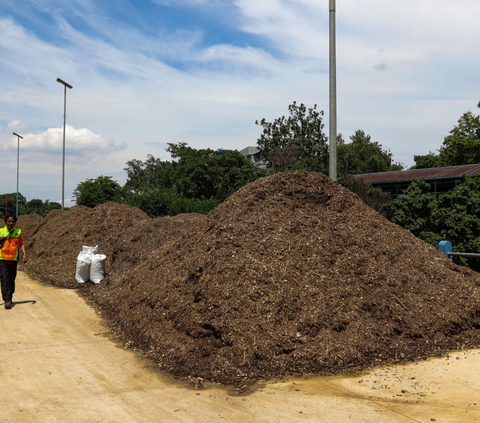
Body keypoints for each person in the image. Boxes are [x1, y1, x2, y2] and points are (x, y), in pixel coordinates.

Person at [0, 214, 27, 309]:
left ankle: (10, 296)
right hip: (2, 259)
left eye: (12, 222)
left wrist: (24, 254)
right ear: (5, 222)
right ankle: (7, 300)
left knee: (11, 280)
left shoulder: (18, 232)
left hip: (13, 260)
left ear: (15, 222)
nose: (10, 223)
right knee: (5, 279)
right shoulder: (1, 232)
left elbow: (21, 244)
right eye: (9, 221)